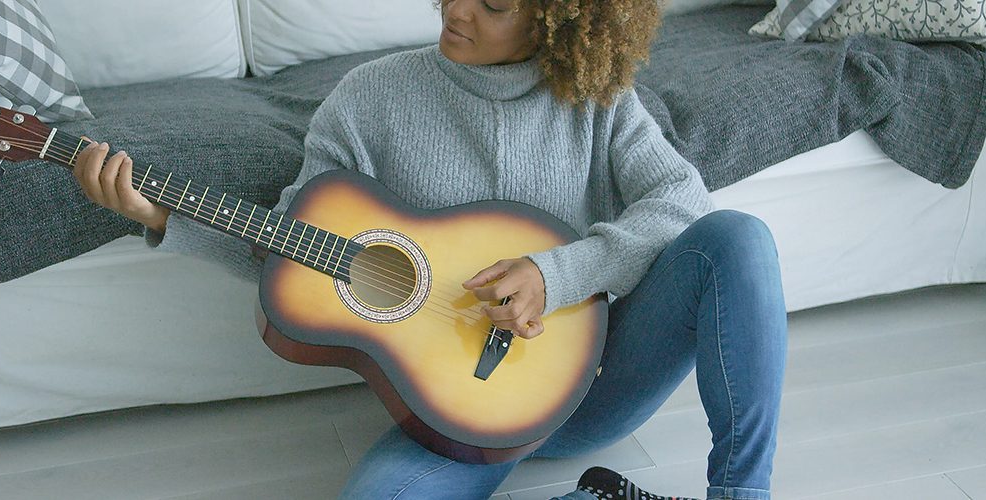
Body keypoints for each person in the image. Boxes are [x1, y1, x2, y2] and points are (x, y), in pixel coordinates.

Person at [70, 0, 788, 498]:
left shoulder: (599, 97)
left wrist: (557, 273)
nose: (457, 11)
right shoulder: (369, 98)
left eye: (494, 4)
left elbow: (682, 201)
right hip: (455, 418)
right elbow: (289, 256)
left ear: (558, 15)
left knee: (738, 239)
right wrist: (164, 218)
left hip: (597, 380)